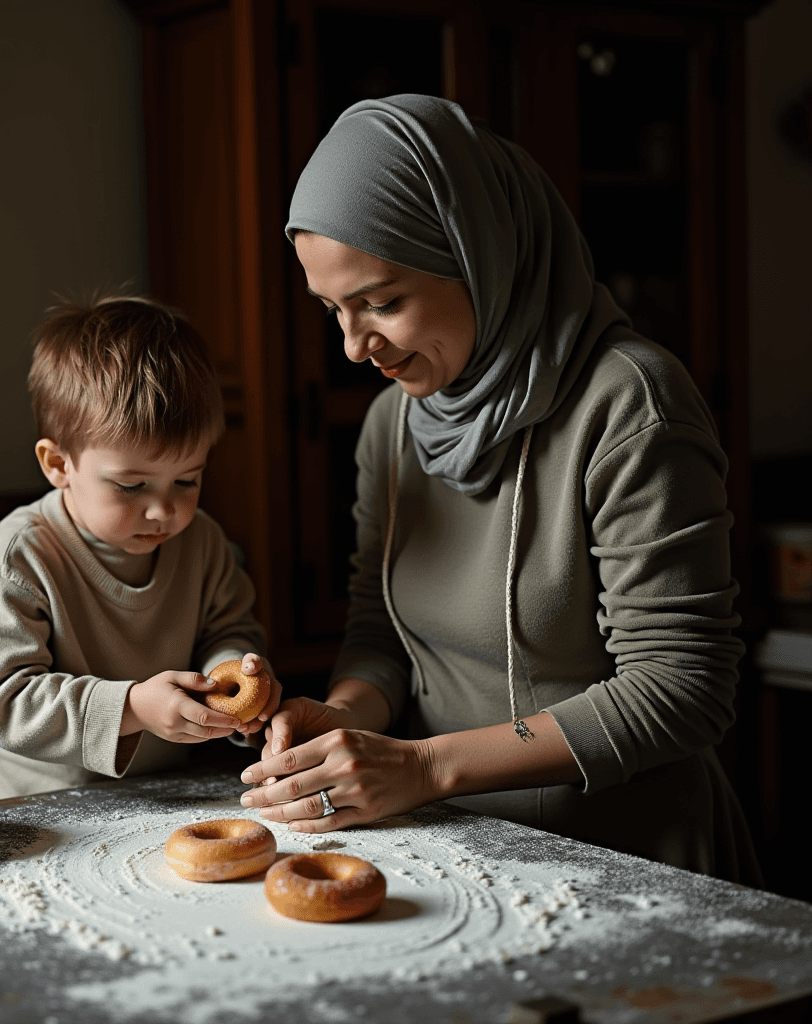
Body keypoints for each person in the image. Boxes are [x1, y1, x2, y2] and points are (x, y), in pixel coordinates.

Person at [239, 95, 759, 883]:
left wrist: (422, 768)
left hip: (630, 858)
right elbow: (382, 634)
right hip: (453, 854)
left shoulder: (630, 405)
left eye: (382, 302)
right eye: (331, 310)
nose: (353, 346)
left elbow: (682, 688)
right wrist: (346, 716)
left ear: (480, 252)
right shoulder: (394, 423)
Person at [0, 296, 278, 801]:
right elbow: (6, 701)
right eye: (131, 487)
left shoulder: (202, 544)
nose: (163, 511)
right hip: (35, 809)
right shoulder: (18, 563)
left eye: (187, 480)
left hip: (161, 794)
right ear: (58, 464)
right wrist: (131, 708)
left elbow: (227, 628)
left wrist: (234, 673)